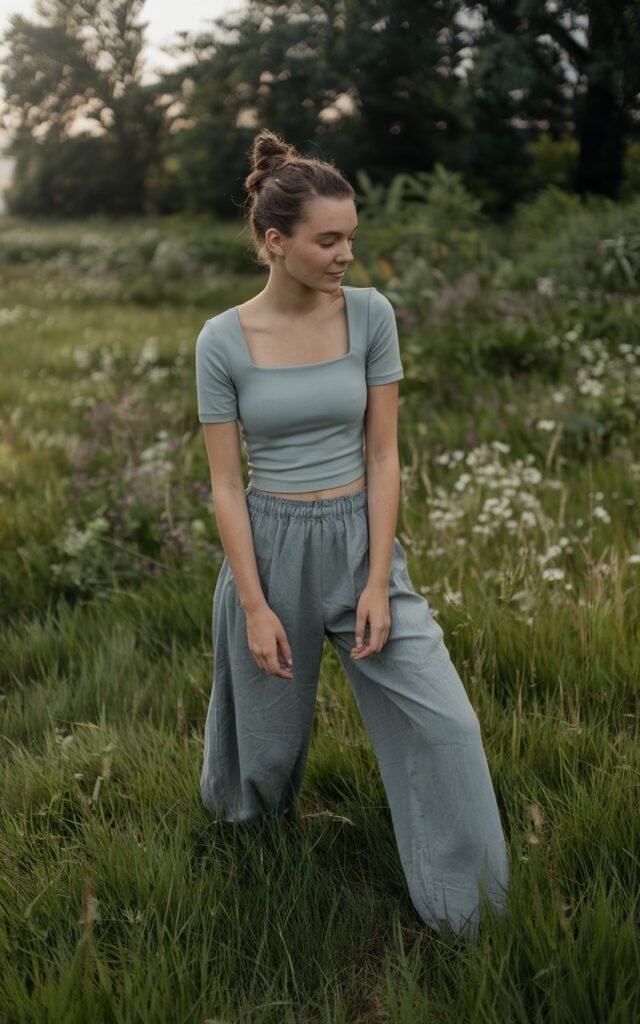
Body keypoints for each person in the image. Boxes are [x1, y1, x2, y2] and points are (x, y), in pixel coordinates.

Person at [194, 127, 509, 942]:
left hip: (360, 545)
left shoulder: (370, 315)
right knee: (266, 748)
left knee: (446, 723)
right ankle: (253, 864)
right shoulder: (221, 341)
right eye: (327, 240)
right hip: (269, 547)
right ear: (276, 242)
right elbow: (226, 484)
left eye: (351, 239)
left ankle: (472, 914)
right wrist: (256, 606)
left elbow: (384, 451)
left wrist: (376, 581)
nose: (345, 255)